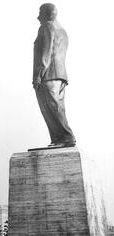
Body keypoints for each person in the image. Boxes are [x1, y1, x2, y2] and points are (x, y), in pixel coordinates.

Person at [33, 3, 76, 147]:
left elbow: (47, 52)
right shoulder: (63, 31)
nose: (38, 17)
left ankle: (65, 137)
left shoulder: (46, 27)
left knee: (50, 107)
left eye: (40, 13)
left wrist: (38, 75)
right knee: (58, 107)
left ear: (48, 14)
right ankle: (59, 139)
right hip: (61, 75)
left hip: (48, 74)